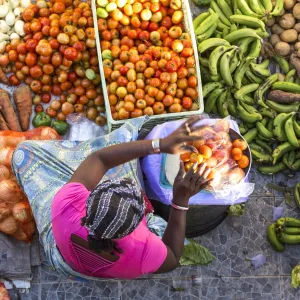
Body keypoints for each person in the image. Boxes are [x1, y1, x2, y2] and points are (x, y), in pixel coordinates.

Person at [51, 117, 212, 279]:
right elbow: (173, 258)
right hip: (117, 267)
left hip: (67, 261)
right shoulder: (143, 250)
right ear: (135, 227)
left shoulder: (66, 202)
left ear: (90, 200)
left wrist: (161, 144)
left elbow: (99, 159)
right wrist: (180, 202)